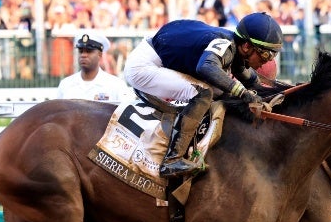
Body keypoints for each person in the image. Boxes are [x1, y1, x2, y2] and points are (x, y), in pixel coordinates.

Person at [123, 12, 283, 178]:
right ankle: (172, 160)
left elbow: (251, 80)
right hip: (144, 66)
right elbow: (206, 67)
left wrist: (279, 92)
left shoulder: (234, 47)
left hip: (158, 54)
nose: (268, 60)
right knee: (204, 93)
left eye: (273, 55)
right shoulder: (227, 46)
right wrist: (242, 92)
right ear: (247, 46)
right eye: (266, 54)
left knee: (221, 91)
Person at [57, 31, 135, 102]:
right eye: (81, 51)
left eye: (89, 51)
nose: (83, 55)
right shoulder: (66, 85)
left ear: (100, 54)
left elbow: (126, 114)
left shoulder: (116, 85)